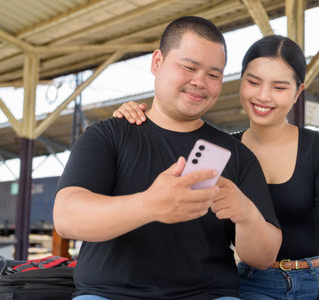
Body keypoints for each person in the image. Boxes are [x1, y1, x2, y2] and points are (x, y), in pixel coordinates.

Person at [54, 16, 282, 300]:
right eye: (189, 67)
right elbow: (66, 217)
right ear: (157, 63)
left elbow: (263, 257)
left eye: (214, 75)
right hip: (110, 294)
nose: (200, 82)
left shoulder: (236, 155)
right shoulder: (108, 135)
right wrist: (149, 205)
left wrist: (245, 214)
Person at [114, 35, 319, 300]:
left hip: (317, 280)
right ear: (240, 81)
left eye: (279, 87)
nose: (263, 96)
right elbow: (169, 180)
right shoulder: (221, 150)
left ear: (298, 91)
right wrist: (136, 119)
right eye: (253, 82)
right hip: (254, 282)